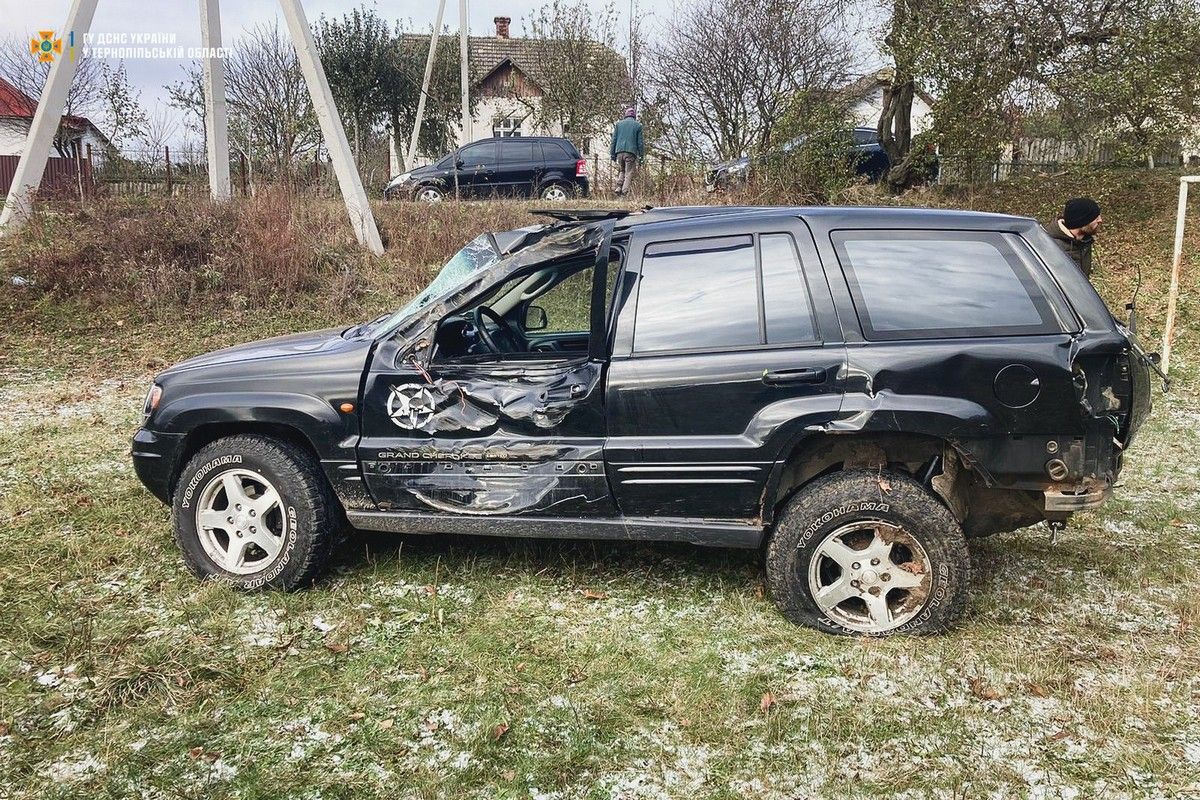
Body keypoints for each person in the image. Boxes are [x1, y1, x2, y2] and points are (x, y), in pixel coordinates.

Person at [1044, 197, 1102, 277]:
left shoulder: (1085, 241)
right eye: (1095, 218)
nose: (1100, 220)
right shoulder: (1051, 246)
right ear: (1082, 221)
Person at [610, 107, 644, 197]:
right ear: (634, 116)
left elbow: (614, 140)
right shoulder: (638, 126)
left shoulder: (618, 124)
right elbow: (640, 143)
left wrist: (612, 153)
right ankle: (624, 193)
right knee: (629, 172)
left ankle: (618, 187)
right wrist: (641, 156)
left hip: (619, 151)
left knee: (622, 170)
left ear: (625, 115)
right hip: (630, 152)